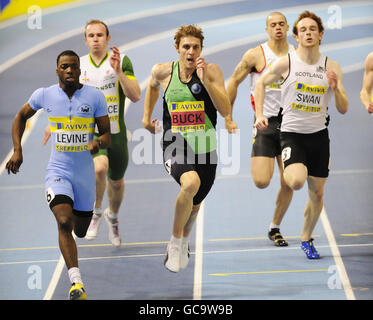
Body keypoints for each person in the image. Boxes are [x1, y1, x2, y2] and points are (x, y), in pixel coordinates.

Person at [6, 50, 110, 299]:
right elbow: (21, 116)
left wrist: (98, 142)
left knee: (81, 230)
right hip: (58, 171)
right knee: (64, 221)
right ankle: (77, 283)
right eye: (64, 66)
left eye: (74, 66)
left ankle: (87, 216)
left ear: (79, 70)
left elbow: (106, 134)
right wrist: (18, 150)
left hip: (84, 176)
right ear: (57, 70)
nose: (69, 71)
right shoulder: (44, 94)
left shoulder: (94, 97)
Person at [254, 11, 348, 259]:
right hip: (292, 134)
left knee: (317, 193)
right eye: (303, 29)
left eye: (312, 29)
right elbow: (261, 83)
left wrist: (336, 89)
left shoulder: (331, 66)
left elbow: (343, 107)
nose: (308, 32)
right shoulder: (287, 62)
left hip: (319, 136)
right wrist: (259, 114)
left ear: (320, 34)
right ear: (295, 36)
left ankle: (306, 239)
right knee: (295, 181)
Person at [43, 20, 141, 246]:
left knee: (116, 183)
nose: (96, 39)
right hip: (92, 133)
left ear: (108, 38)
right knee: (99, 169)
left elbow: (135, 95)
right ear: (85, 40)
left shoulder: (121, 61)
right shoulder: (79, 66)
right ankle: (96, 212)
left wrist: (119, 73)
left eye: (100, 35)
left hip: (116, 133)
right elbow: (64, 99)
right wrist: (54, 124)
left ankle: (112, 217)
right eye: (91, 35)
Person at [142, 25, 230, 272]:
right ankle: (175, 241)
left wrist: (205, 83)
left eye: (196, 47)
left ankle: (184, 239)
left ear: (201, 49)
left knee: (195, 204)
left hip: (205, 144)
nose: (191, 52)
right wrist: (146, 118)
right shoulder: (163, 72)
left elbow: (224, 110)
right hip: (175, 141)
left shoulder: (211, 72)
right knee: (189, 184)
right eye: (186, 47)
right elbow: (151, 86)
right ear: (177, 48)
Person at [226, 12, 294, 247]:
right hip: (265, 124)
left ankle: (274, 227)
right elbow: (233, 81)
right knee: (262, 181)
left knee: (289, 181)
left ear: (287, 28)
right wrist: (228, 116)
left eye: (281, 24)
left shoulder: (297, 55)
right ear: (267, 29)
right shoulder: (256, 55)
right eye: (272, 25)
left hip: (292, 126)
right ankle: (273, 156)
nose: (277, 28)